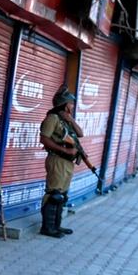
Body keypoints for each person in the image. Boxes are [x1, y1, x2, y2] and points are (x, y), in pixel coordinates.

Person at [38, 86, 85, 238]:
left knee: (62, 195)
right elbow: (44, 139)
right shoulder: (52, 118)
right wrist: (64, 151)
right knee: (54, 193)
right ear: (65, 104)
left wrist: (70, 118)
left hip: (67, 162)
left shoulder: (64, 120)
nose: (72, 106)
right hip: (57, 159)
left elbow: (80, 134)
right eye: (71, 104)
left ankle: (56, 226)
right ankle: (47, 228)